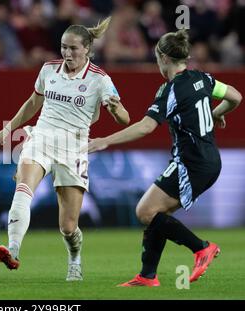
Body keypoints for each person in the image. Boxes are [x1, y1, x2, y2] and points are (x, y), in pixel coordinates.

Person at [88, 29, 242, 286]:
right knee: (155, 212)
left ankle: (201, 248)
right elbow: (235, 96)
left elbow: (146, 126)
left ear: (162, 57)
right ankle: (148, 275)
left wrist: (105, 140)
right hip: (209, 161)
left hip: (191, 163)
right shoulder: (202, 78)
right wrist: (216, 114)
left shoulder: (170, 90)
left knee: (145, 211)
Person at [0, 17, 130, 281]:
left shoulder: (100, 80)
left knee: (68, 226)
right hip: (41, 137)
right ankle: (13, 250)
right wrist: (7, 131)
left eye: (73, 48)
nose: (67, 53)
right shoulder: (48, 70)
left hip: (73, 148)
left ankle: (75, 257)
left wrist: (115, 109)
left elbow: (125, 118)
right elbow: (33, 103)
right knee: (23, 187)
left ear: (87, 49)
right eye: (64, 47)